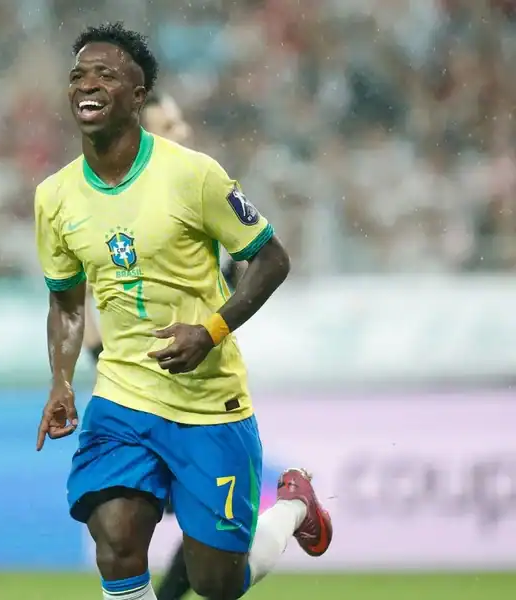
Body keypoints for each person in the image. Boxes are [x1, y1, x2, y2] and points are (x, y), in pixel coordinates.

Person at [34, 23, 332, 600]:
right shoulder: (55, 197)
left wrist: (210, 330)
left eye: (104, 75)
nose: (86, 84)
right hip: (122, 397)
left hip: (207, 403)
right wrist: (62, 381)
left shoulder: (193, 175)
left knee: (217, 583)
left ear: (138, 95)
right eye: (77, 75)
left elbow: (272, 258)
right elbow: (67, 305)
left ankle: (294, 506)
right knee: (116, 543)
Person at [82, 89, 238, 600]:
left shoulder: (205, 193)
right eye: (169, 125)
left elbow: (250, 270)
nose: (184, 131)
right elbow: (83, 310)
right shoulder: (107, 209)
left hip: (202, 403)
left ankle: (291, 510)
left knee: (206, 545)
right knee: (124, 529)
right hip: (135, 404)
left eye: (181, 121)